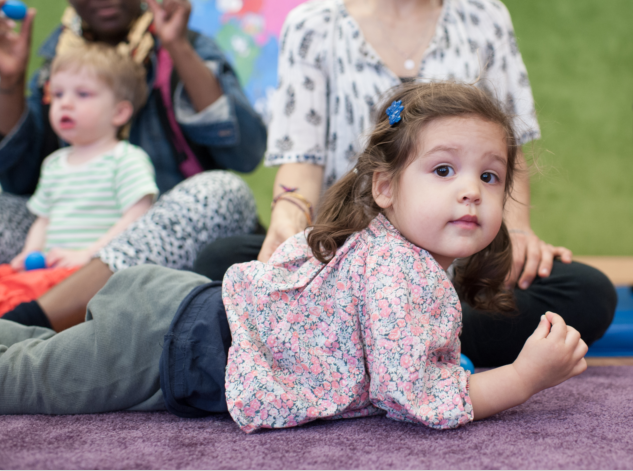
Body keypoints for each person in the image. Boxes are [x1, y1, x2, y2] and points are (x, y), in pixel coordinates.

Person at [0, 82, 589, 431]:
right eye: (443, 170)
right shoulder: (395, 267)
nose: (471, 190)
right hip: (169, 342)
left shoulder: (388, 249)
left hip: (183, 316)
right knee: (21, 380)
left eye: (490, 176)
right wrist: (520, 379)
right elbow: (412, 397)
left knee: (29, 353)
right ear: (385, 188)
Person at [193, 0, 616, 367]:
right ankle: (410, 345)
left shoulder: (485, 18)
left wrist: (518, 233)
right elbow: (302, 158)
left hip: (455, 259)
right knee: (223, 261)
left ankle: (374, 342)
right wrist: (287, 222)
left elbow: (505, 153)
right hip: (346, 259)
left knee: (587, 291)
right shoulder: (314, 26)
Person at [0, 0, 266, 330]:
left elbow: (247, 153)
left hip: (159, 233)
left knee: (222, 192)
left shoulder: (186, 45)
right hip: (74, 235)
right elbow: (19, 181)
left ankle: (28, 322)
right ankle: (55, 303)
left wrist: (177, 45)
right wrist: (9, 82)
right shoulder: (56, 67)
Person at [1, 44, 158, 314]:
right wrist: (30, 252)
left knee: (22, 305)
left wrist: (91, 254)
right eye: (58, 93)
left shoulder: (126, 158)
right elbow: (44, 219)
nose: (66, 103)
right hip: (50, 268)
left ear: (119, 112)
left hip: (91, 275)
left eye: (83, 94)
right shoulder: (54, 164)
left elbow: (137, 216)